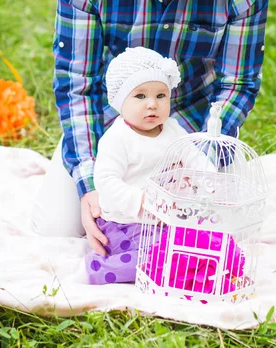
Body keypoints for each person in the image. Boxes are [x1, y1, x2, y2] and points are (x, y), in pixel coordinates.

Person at [31, 0, 269, 256]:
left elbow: (238, 84)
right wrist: (90, 183)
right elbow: (77, 88)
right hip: (111, 130)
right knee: (59, 232)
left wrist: (199, 162)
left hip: (192, 131)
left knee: (221, 238)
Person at [84, 46, 214, 284]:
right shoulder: (117, 139)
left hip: (168, 215)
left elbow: (194, 156)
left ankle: (186, 265)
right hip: (127, 222)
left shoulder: (172, 128)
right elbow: (106, 182)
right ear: (119, 101)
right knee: (156, 255)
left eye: (161, 96)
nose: (152, 104)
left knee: (203, 239)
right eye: (140, 96)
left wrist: (211, 179)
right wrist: (141, 200)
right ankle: (103, 267)